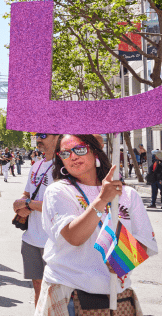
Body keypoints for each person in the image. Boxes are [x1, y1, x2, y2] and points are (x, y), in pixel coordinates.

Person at [35, 134, 158, 315]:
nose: (74, 157)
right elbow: (74, 237)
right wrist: (102, 199)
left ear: (95, 152)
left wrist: (123, 259)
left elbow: (146, 242)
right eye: (65, 153)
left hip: (118, 296)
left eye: (80, 149)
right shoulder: (58, 191)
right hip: (70, 294)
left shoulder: (128, 194)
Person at [13, 133, 59, 306]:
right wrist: (20, 203)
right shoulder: (36, 165)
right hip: (31, 238)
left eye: (43, 135)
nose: (38, 139)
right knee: (38, 286)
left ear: (57, 137)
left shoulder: (63, 166)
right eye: (36, 135)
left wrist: (29, 204)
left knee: (55, 290)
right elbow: (27, 193)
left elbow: (58, 204)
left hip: (53, 240)